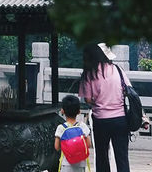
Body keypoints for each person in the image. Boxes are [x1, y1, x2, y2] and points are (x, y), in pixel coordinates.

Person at [78, 43, 130, 172]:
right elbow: (128, 90)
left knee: (102, 156)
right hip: (120, 119)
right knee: (122, 157)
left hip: (101, 119)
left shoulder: (89, 74)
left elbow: (88, 99)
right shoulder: (118, 70)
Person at [55, 94, 92, 171]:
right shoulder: (82, 126)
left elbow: (57, 147)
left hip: (66, 164)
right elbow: (88, 144)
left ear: (62, 111)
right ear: (79, 112)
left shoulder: (61, 128)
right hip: (80, 164)